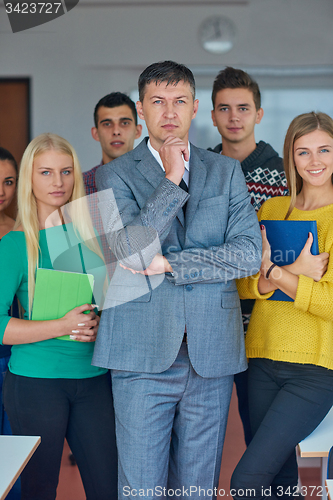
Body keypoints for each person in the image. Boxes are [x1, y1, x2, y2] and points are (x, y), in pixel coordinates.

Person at [93, 60, 262, 499]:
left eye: (179, 101)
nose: (169, 112)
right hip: (140, 354)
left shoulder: (225, 171)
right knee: (142, 489)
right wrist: (170, 178)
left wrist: (172, 265)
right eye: (158, 102)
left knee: (197, 490)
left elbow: (247, 255)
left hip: (211, 355)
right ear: (141, 110)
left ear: (194, 108)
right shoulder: (112, 173)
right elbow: (130, 250)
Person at [1, 133, 117, 500]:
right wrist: (63, 326)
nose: (58, 182)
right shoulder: (16, 244)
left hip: (95, 380)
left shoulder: (95, 236)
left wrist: (100, 324)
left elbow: (113, 303)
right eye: (46, 172)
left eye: (66, 172)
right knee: (39, 491)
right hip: (36, 384)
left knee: (109, 488)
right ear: (29, 179)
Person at [231, 111, 333, 500]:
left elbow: (330, 303)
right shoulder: (272, 210)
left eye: (324, 149)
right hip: (261, 358)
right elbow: (243, 283)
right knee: (279, 481)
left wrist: (275, 272)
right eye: (304, 152)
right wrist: (294, 272)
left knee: (246, 481)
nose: (315, 161)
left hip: (315, 370)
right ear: (291, 157)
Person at [209, 66, 288, 445]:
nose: (234, 117)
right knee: (202, 434)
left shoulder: (286, 174)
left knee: (262, 434)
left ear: (258, 113)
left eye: (243, 107)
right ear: (211, 115)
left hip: (267, 323)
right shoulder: (200, 169)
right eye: (224, 108)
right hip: (211, 321)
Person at [0, 146, 20, 500]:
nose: (1, 190)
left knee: (11, 454)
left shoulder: (20, 231)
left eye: (8, 181)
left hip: (11, 353)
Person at [83, 92, 142, 195]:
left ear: (138, 131)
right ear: (95, 133)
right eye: (107, 124)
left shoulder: (153, 180)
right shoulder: (80, 185)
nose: (116, 131)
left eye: (124, 123)